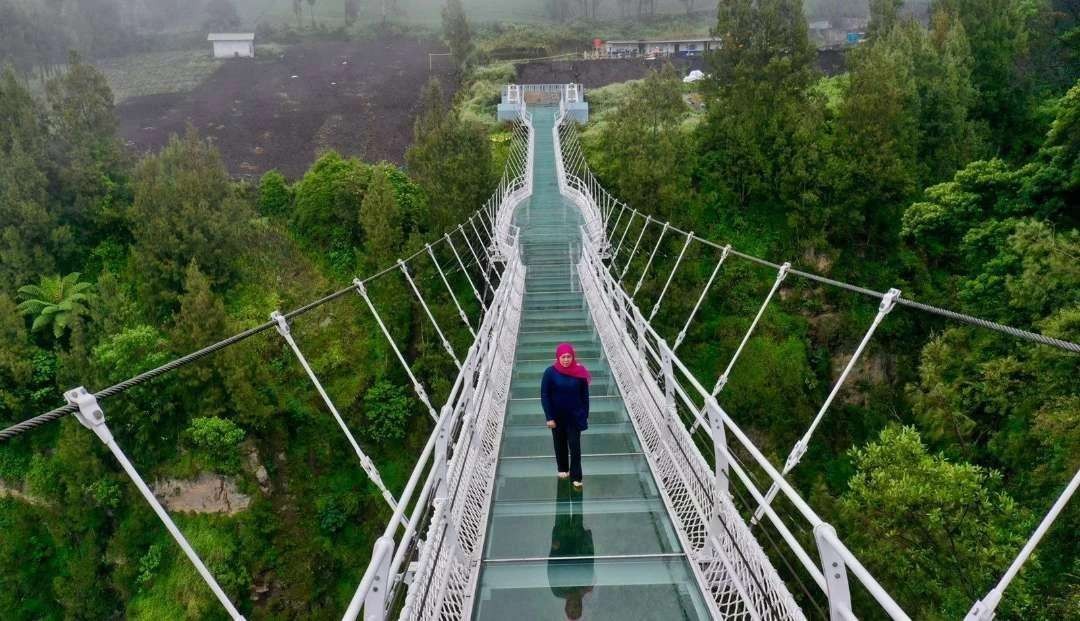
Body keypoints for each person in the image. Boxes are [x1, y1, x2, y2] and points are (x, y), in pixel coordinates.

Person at [541, 343, 591, 488]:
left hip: (575, 416)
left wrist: (585, 414)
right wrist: (549, 416)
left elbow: (585, 395)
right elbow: (545, 395)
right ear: (558, 357)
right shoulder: (550, 372)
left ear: (573, 356)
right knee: (559, 443)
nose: (566, 360)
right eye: (563, 357)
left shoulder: (580, 372)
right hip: (556, 417)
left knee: (575, 447)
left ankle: (576, 476)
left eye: (569, 356)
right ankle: (562, 468)